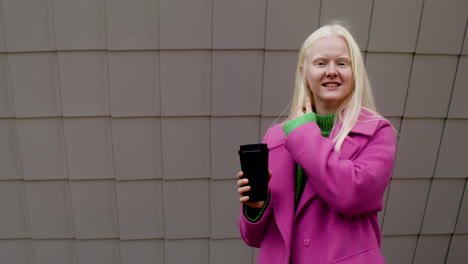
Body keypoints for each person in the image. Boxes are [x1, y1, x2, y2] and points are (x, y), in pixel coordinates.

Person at [236, 21, 397, 264]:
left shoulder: (376, 132)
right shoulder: (276, 137)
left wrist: (303, 133)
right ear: (304, 72)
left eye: (342, 63)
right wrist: (257, 205)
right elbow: (255, 238)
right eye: (321, 63)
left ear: (355, 73)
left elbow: (351, 195)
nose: (331, 71)